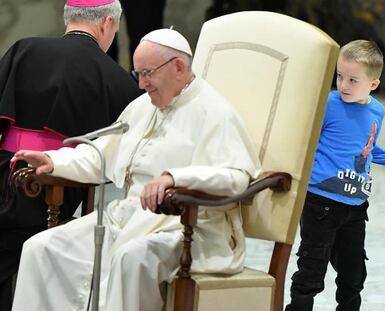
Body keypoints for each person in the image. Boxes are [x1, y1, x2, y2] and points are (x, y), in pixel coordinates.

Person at [10, 28, 261, 311]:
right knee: (40, 249)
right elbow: (102, 156)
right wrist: (53, 161)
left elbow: (237, 178)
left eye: (148, 73)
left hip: (185, 227)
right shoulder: (142, 107)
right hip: (127, 218)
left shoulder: (216, 112)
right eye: (137, 74)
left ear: (178, 67)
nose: (141, 84)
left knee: (131, 258)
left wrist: (174, 178)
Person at [0, 0, 139, 309]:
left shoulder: (23, 49)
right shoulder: (117, 79)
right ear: (106, 23)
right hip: (55, 187)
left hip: (5, 171)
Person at [285, 40, 385, 311]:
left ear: (373, 84)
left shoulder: (377, 111)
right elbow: (304, 141)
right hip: (320, 203)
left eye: (353, 80)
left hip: (355, 208)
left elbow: (367, 151)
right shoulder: (328, 104)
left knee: (354, 276)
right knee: (310, 272)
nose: (343, 85)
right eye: (340, 76)